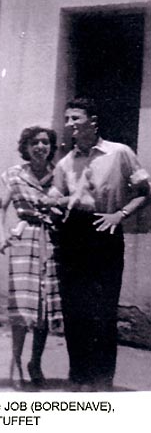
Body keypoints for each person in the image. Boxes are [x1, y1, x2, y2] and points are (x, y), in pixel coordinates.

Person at [49, 97, 149, 391]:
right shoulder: (65, 162)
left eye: (75, 118)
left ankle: (102, 380)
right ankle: (79, 377)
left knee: (103, 309)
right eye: (67, 119)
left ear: (93, 121)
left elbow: (145, 191)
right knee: (74, 308)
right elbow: (56, 195)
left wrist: (121, 215)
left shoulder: (120, 153)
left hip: (105, 229)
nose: (69, 125)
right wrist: (54, 204)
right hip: (72, 234)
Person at [0, 126, 63, 389]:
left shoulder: (59, 174)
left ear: (51, 147)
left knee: (44, 307)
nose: (40, 147)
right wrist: (1, 236)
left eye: (45, 142)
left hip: (53, 240)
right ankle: (15, 362)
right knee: (22, 306)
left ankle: (35, 362)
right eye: (35, 142)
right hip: (24, 241)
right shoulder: (14, 174)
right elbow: (0, 209)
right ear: (26, 147)